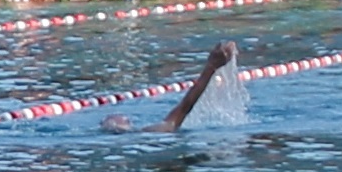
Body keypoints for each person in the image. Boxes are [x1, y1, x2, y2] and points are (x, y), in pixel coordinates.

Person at [101, 42, 241, 133]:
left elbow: (185, 107)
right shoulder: (154, 130)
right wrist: (210, 68)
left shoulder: (150, 131)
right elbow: (185, 107)